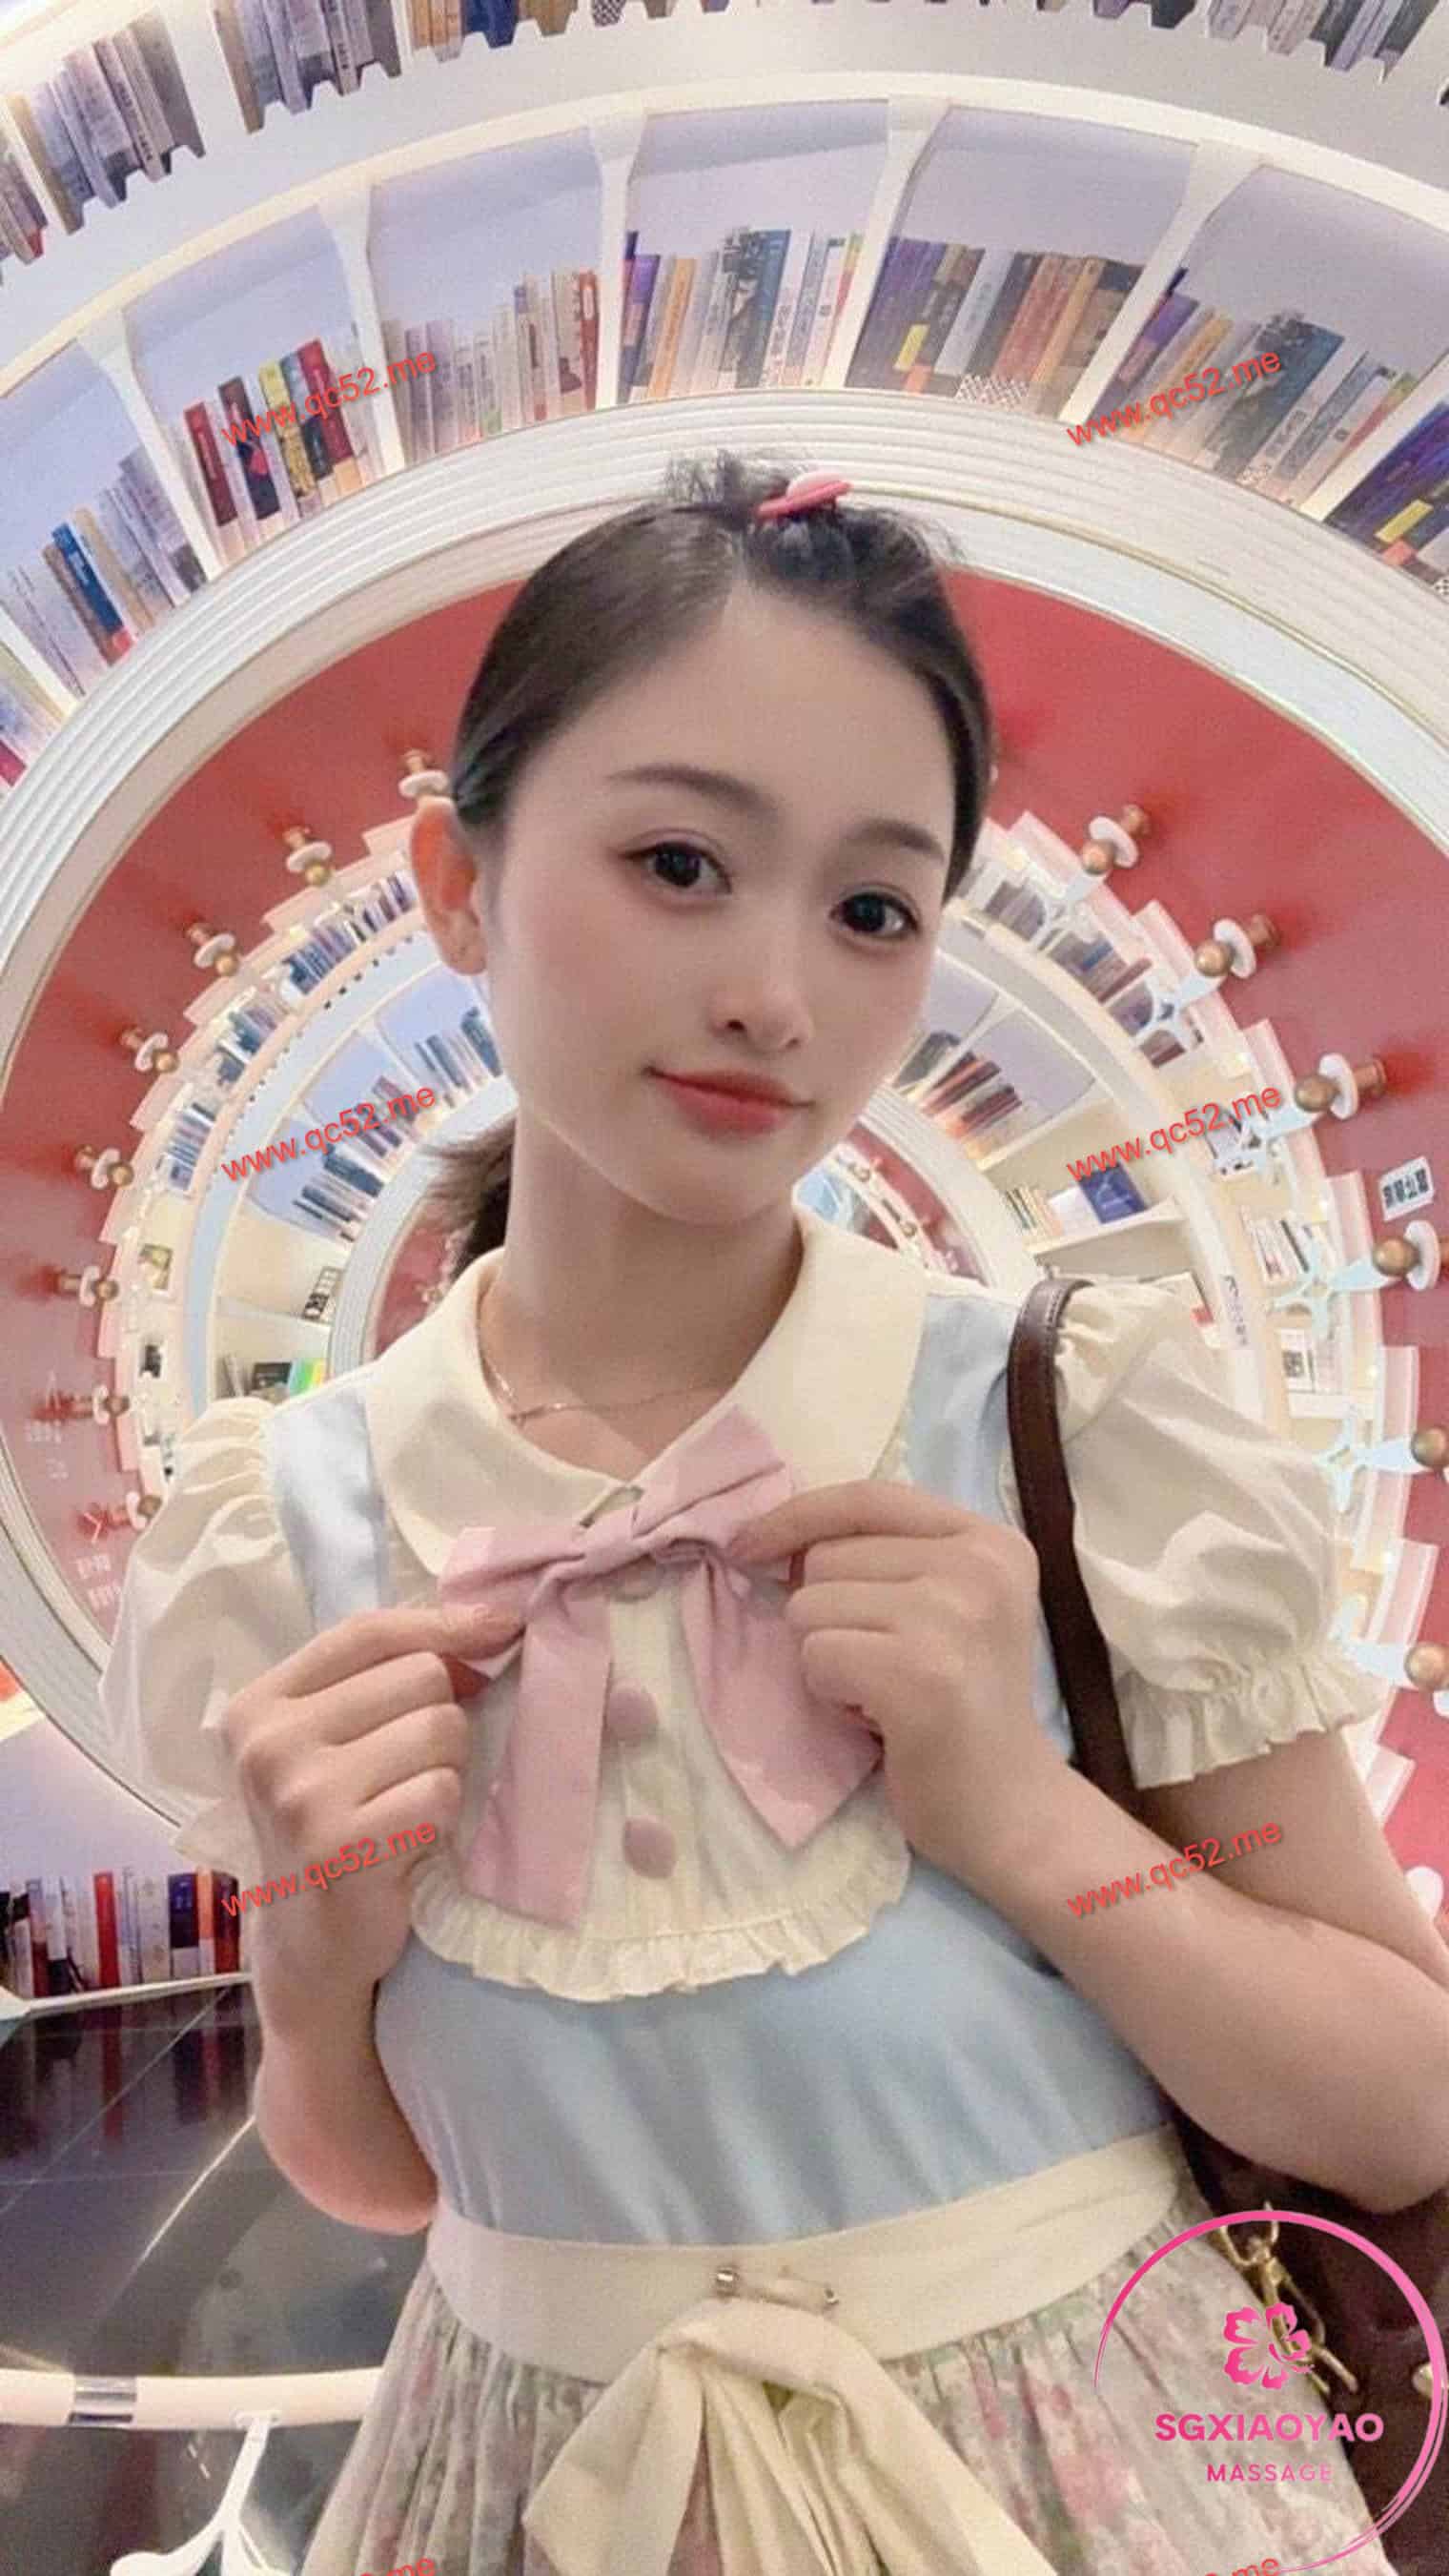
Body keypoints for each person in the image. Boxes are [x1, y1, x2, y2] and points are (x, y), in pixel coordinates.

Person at [100, 449, 1449, 2576]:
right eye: (678, 862)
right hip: (530, 2490)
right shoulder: (286, 1535)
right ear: (455, 884)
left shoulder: (1072, 1432)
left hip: (1101, 2488)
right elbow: (387, 2178)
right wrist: (309, 1954)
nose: (776, 995)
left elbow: (1399, 2101)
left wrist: (1025, 1814)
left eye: (871, 909)